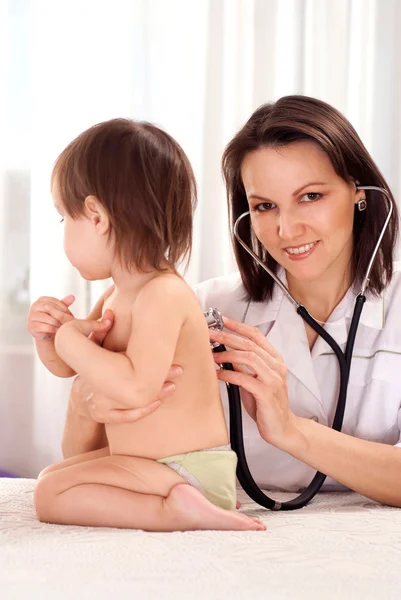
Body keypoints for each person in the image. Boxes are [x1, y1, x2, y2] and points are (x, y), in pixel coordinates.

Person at [62, 96, 401, 508]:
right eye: (264, 206)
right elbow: (94, 466)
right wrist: (84, 403)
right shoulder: (203, 308)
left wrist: (290, 430)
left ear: (358, 192)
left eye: (311, 196)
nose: (287, 228)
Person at [28, 118, 266, 532]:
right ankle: (178, 504)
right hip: (151, 466)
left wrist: (68, 336)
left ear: (96, 215)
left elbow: (137, 386)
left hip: (184, 469)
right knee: (52, 477)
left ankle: (172, 512)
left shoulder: (164, 294)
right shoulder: (118, 295)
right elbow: (75, 366)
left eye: (64, 220)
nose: (64, 233)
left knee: (51, 495)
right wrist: (51, 338)